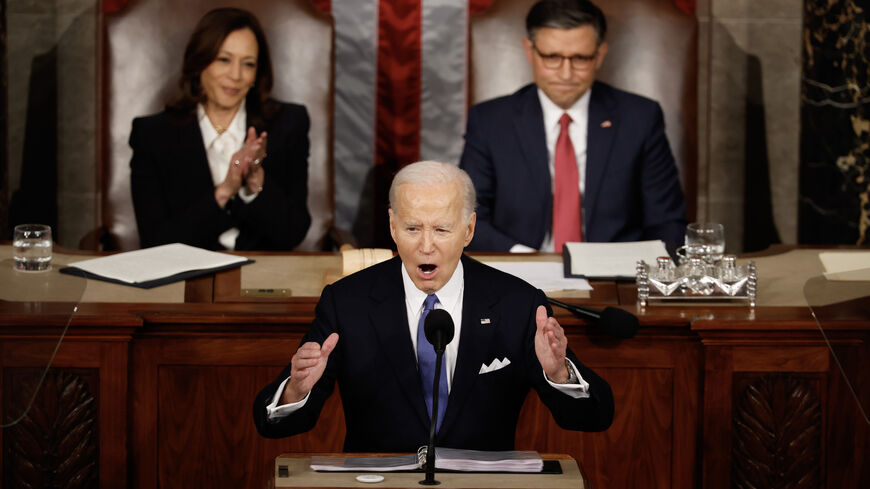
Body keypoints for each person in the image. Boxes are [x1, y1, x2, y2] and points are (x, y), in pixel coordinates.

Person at [253, 161, 613, 452]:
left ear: (468, 230)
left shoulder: (517, 303)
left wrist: (560, 374)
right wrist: (296, 390)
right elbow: (273, 425)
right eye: (412, 228)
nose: (426, 246)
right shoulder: (347, 302)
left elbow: (594, 417)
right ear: (392, 226)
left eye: (441, 230)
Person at [459, 0, 686, 253]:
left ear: (600, 55)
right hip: (520, 267)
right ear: (530, 51)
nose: (566, 74)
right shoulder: (489, 121)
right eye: (552, 57)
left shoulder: (640, 118)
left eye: (580, 58)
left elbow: (668, 222)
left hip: (615, 270)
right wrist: (526, 259)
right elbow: (467, 219)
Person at [130, 8, 310, 251]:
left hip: (265, 270)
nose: (235, 75)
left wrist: (256, 184)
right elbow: (155, 242)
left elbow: (293, 233)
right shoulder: (153, 135)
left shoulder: (288, 124)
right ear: (199, 63)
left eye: (248, 64)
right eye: (224, 60)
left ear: (257, 73)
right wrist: (224, 192)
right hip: (188, 270)